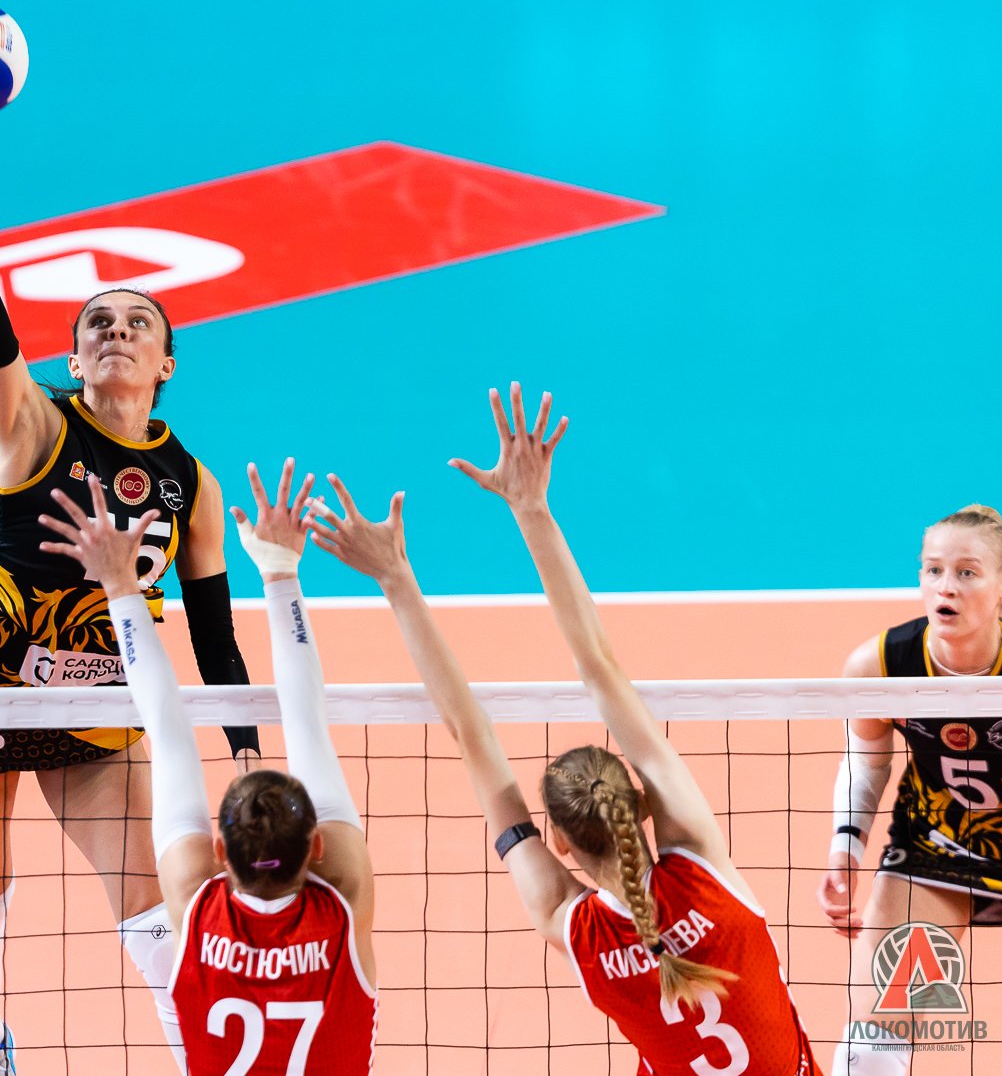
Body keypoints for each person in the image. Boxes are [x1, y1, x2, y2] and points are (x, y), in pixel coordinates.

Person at [0, 100, 261, 1076]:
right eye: (98, 324)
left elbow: (214, 637)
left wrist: (248, 752)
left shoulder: (191, 483)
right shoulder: (34, 428)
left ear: (165, 363)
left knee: (159, 918)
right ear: (75, 359)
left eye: (139, 323)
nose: (117, 331)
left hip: (99, 709)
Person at [307, 384, 818, 1076]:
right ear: (642, 805)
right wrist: (532, 507)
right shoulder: (700, 868)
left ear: (559, 844)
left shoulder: (572, 928)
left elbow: (470, 735)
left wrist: (396, 579)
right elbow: (599, 668)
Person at [38, 460, 378, 1075]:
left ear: (220, 850)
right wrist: (280, 571)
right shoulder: (342, 904)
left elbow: (165, 728)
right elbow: (303, 720)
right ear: (317, 846)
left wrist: (120, 586)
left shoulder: (195, 907)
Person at [817, 505, 1002, 1075]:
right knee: (868, 1050)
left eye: (966, 572)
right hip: (937, 846)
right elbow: (866, 761)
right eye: (933, 570)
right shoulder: (881, 665)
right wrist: (845, 848)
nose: (945, 586)